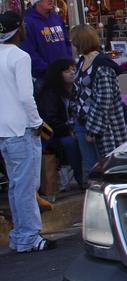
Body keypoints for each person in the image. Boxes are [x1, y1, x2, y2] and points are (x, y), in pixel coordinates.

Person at [0, 11, 55, 252]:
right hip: (21, 127)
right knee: (25, 186)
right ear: (19, 29)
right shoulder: (20, 56)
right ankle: (29, 236)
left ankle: (20, 235)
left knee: (16, 184)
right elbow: (25, 95)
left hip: (4, 129)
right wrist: (36, 122)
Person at [69, 25, 127, 182]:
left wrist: (93, 129)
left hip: (104, 127)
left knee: (107, 168)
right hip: (82, 122)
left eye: (73, 42)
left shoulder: (102, 65)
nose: (71, 46)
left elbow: (105, 99)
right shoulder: (81, 62)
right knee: (90, 169)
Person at [34, 58, 83, 192]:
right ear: (57, 74)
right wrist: (69, 129)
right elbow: (51, 121)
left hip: (76, 129)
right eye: (67, 71)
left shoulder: (78, 89)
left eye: (73, 69)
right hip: (54, 136)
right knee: (71, 143)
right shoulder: (50, 95)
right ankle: (82, 180)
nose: (72, 73)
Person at [20, 0, 73, 81]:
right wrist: (47, 69)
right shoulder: (28, 23)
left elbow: (66, 42)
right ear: (37, 0)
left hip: (64, 74)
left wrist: (68, 62)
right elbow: (29, 51)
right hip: (45, 78)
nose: (51, 0)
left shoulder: (56, 18)